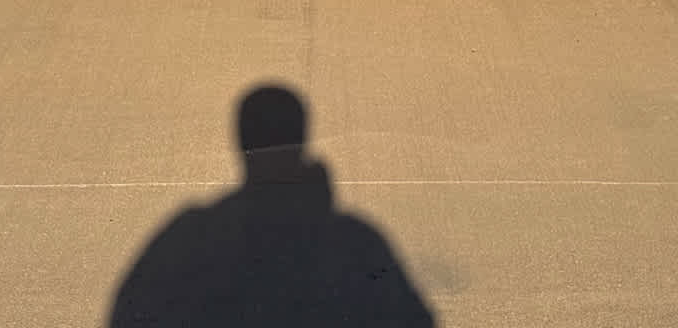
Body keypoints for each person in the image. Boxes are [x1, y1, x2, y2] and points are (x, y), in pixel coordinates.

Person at [109, 84, 435, 327]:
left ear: (241, 143)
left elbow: (129, 313)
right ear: (302, 140)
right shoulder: (357, 241)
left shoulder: (191, 235)